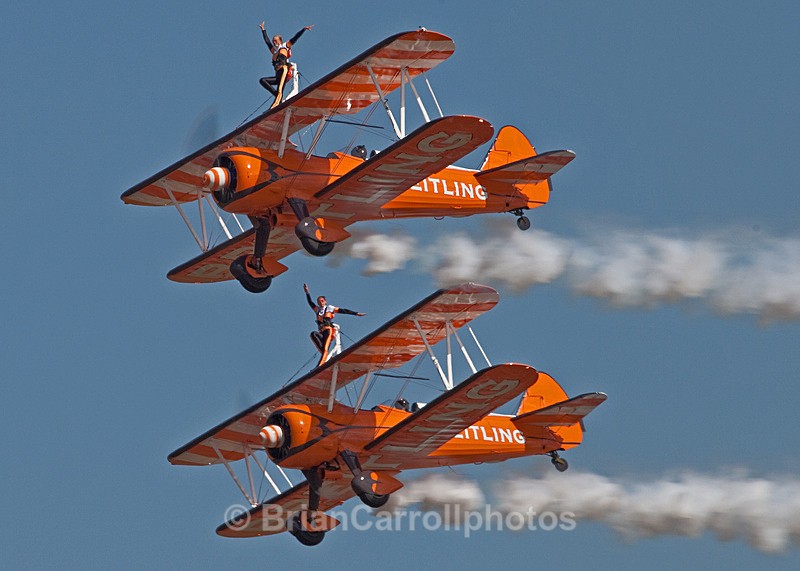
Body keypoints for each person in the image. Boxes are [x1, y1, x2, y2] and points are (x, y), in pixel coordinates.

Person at [304, 283, 364, 367]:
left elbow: (343, 310)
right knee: (313, 334)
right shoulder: (317, 310)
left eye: (321, 301)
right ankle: (329, 357)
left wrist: (356, 313)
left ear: (325, 301)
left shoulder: (330, 308)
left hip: (329, 330)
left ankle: (319, 366)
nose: (320, 303)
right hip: (321, 332)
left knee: (325, 349)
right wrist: (307, 292)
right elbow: (310, 302)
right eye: (318, 301)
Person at [259, 22, 314, 109]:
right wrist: (263, 30)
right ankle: (278, 96)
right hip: (278, 75)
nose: (274, 42)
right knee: (262, 81)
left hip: (284, 70)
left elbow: (294, 39)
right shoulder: (274, 51)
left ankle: (277, 100)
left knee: (279, 92)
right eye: (274, 41)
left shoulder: (285, 46)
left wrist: (303, 30)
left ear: (280, 41)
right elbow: (267, 42)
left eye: (276, 40)